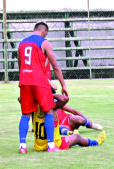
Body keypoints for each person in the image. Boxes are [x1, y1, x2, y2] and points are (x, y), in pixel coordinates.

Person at [18, 21, 69, 153]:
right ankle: (51, 146)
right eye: (46, 33)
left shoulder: (21, 43)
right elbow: (55, 66)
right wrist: (63, 85)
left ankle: (22, 146)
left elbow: (20, 65)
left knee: (25, 115)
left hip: (25, 80)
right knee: (48, 111)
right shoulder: (44, 42)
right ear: (43, 31)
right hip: (39, 82)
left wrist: (24, 78)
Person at [32, 105, 106, 152]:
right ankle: (95, 143)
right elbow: (64, 99)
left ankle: (90, 125)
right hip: (55, 141)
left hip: (39, 145)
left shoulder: (36, 111)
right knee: (76, 137)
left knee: (78, 121)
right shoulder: (51, 108)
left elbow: (20, 99)